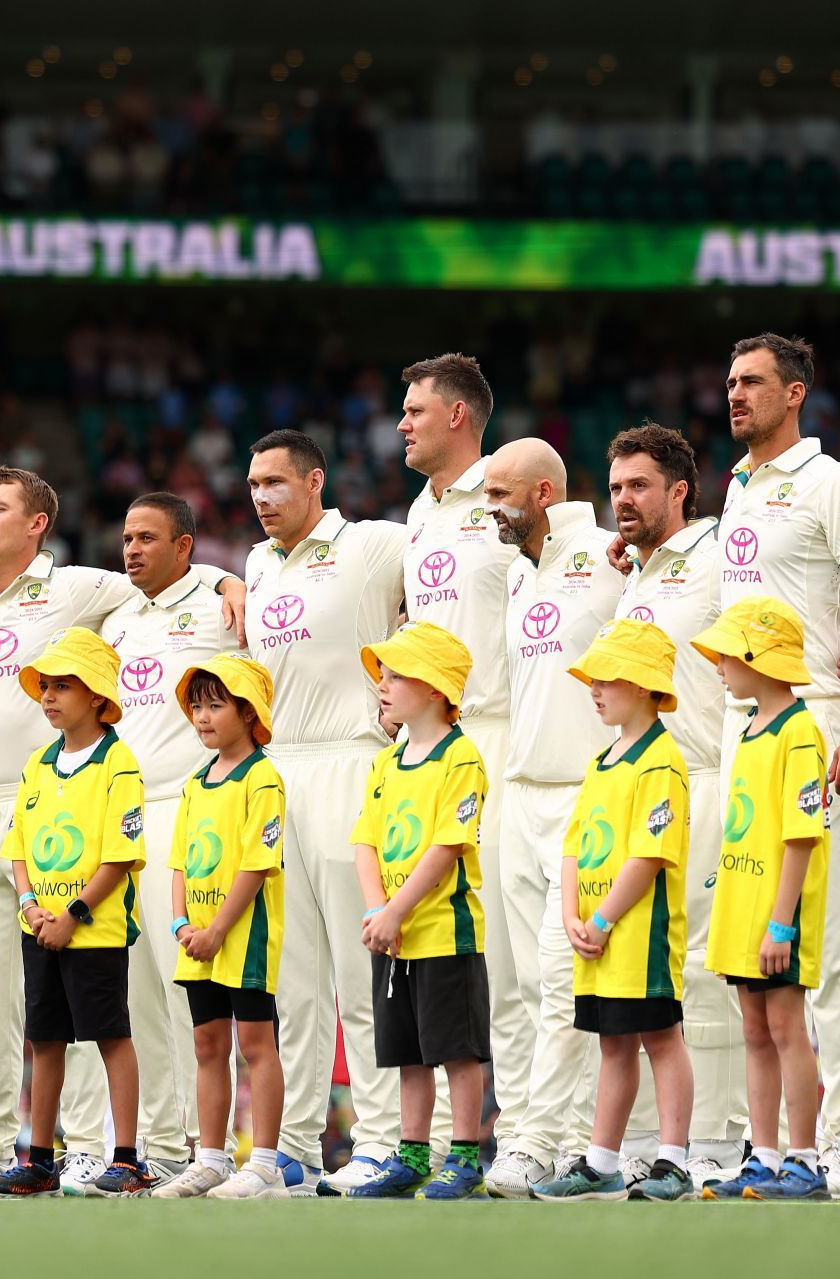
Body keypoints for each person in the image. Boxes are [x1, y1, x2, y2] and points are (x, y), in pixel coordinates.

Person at [0, 466, 235, 1190]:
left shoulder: (85, 588)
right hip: (18, 812)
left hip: (140, 807)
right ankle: (15, 1149)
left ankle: (151, 1147)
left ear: (38, 522)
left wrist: (228, 584)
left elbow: (177, 573)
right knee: (36, 1008)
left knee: (150, 992)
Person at [717, 334, 840, 1198]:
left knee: (834, 949)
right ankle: (772, 1149)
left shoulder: (836, 483)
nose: (735, 394)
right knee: (755, 946)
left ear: (795, 394)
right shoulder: (739, 488)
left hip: (821, 721)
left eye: (751, 382)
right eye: (729, 382)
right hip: (742, 728)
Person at [240, 430, 410, 1194]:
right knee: (291, 982)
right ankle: (295, 1147)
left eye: (276, 482)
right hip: (277, 771)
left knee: (362, 965)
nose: (262, 497)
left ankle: (380, 1140)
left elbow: (455, 581)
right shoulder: (254, 562)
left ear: (315, 481)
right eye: (251, 485)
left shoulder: (372, 544)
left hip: (353, 758)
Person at [481, 437, 626, 1197]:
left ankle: (538, 1142)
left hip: (584, 791)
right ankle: (554, 1141)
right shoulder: (513, 572)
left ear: (542, 493)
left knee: (565, 977)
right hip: (522, 788)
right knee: (519, 983)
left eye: (500, 494)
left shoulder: (610, 556)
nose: (489, 509)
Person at [605, 423, 742, 1184]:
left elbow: (786, 617)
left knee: (702, 971)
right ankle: (651, 1149)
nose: (624, 499)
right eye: (617, 485)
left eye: (639, 486)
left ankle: (716, 1147)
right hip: (641, 784)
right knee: (649, 973)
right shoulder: (630, 571)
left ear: (680, 491)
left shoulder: (719, 555)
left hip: (709, 776)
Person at [396, 354, 523, 1154]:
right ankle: (446, 1141)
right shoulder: (416, 512)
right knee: (443, 949)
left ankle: (531, 1137)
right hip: (431, 746)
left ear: (457, 417)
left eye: (414, 409)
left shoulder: (509, 492)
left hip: (503, 733)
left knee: (506, 955)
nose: (401, 423)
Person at [0, 629, 150, 1197]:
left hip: (94, 930)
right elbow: (20, 848)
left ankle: (126, 1157)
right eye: (45, 687)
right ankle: (40, 1159)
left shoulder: (118, 764)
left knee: (110, 1036)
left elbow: (120, 855)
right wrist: (31, 906)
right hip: (41, 929)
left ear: (98, 696)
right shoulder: (37, 764)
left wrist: (74, 913)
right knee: (45, 1039)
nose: (49, 697)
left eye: (63, 687)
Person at [530, 620, 695, 1203]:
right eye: (592, 680)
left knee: (662, 1037)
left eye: (608, 679)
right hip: (595, 936)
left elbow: (651, 853)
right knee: (614, 1044)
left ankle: (673, 1161)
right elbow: (575, 844)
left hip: (637, 933)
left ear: (647, 686)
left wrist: (600, 920)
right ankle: (602, 1161)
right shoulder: (603, 760)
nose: (594, 690)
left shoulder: (661, 762)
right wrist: (574, 913)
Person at [101, 492, 240, 1183]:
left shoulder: (220, 607)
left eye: (147, 537)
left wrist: (227, 578)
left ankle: (201, 1142)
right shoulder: (115, 616)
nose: (130, 549)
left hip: (187, 809)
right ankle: (149, 1146)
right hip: (117, 813)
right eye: (126, 537)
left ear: (185, 545)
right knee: (131, 993)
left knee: (184, 981)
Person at [689, 599, 830, 1201]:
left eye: (728, 651)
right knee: (753, 1030)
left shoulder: (799, 733)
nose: (718, 662)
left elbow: (800, 835)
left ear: (760, 659)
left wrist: (780, 923)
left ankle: (805, 1159)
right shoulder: (748, 730)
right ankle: (764, 1156)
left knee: (785, 1027)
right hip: (741, 911)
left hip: (777, 916)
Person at [348, 621, 491, 1200]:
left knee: (455, 1049)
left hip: (443, 934)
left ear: (435, 688)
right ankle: (411, 1154)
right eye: (382, 673)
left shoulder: (462, 758)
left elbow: (446, 847)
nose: (383, 683)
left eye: (397, 674)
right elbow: (365, 841)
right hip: (394, 935)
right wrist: (378, 911)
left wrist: (396, 912)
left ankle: (463, 1156)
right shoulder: (386, 763)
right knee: (409, 1052)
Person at [153, 653, 287, 1200]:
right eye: (197, 706)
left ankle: (265, 1164)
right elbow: (181, 861)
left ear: (248, 712)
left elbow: (258, 863)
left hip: (243, 936)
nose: (203, 717)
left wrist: (217, 930)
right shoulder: (194, 783)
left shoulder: (263, 778)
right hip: (197, 939)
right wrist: (184, 923)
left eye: (216, 705)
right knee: (207, 1044)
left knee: (255, 1042)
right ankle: (210, 1159)